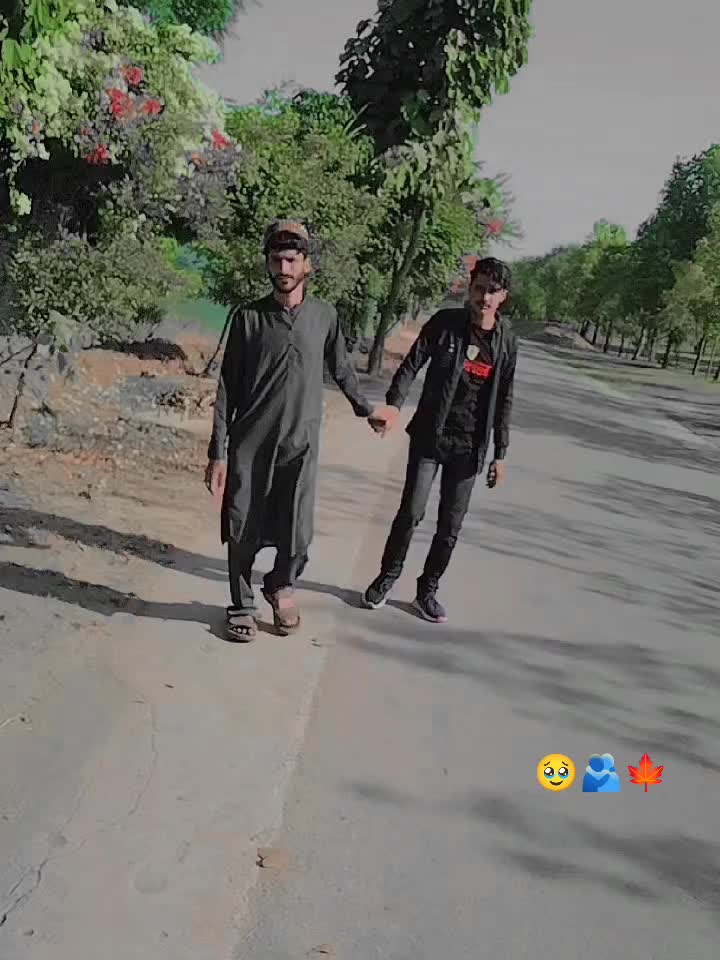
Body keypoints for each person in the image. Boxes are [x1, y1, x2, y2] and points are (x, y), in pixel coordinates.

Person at [205, 219, 392, 641]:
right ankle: (241, 604)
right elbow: (227, 388)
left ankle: (280, 586)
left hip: (300, 444)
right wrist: (218, 452)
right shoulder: (249, 318)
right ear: (268, 264)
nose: (283, 269)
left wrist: (366, 410)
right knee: (241, 525)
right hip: (251, 444)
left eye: (291, 260)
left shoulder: (324, 316)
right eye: (276, 260)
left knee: (298, 532)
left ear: (307, 264)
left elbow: (341, 368)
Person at [362, 257, 518, 623]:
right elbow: (411, 364)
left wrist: (501, 453)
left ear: (503, 297)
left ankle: (427, 591)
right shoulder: (445, 323)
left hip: (469, 446)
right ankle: (387, 577)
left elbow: (505, 398)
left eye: (492, 291)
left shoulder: (507, 342)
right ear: (470, 288)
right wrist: (394, 404)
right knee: (411, 513)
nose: (484, 297)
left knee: (450, 526)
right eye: (479, 289)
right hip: (430, 436)